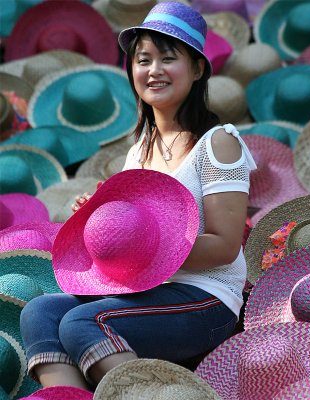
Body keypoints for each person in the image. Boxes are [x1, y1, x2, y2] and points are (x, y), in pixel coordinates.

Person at [20, 1, 257, 391]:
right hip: (149, 292)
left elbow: (226, 245)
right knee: (39, 312)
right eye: (143, 59)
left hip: (206, 297)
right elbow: (129, 248)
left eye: (168, 58)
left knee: (84, 322)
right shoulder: (138, 152)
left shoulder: (218, 144)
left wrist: (145, 246)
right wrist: (102, 225)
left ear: (197, 68)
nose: (154, 70)